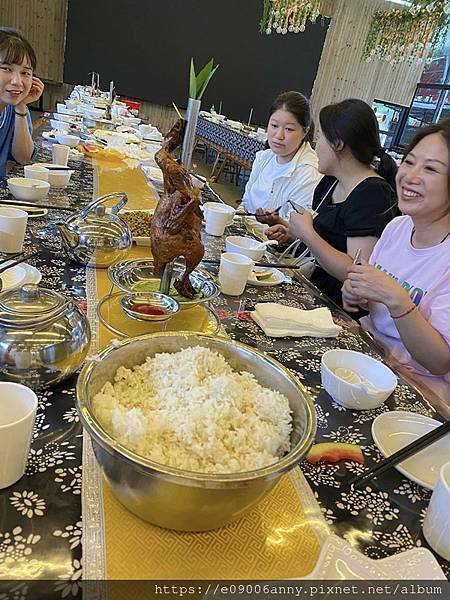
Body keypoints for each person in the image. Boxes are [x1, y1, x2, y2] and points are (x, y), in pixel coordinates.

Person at [342, 119, 450, 415]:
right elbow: (366, 304)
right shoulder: (398, 227)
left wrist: (396, 299)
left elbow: (440, 361)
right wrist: (355, 294)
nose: (409, 176)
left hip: (418, 392)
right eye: (410, 161)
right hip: (366, 357)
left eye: (430, 169)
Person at [266, 99, 398, 307]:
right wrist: (293, 233)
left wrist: (307, 234)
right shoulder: (330, 182)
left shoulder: (373, 194)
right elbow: (327, 238)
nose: (315, 146)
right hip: (308, 288)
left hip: (336, 307)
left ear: (338, 144)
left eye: (319, 138)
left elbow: (356, 272)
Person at [240, 91, 321, 224]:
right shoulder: (263, 158)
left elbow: (301, 233)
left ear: (305, 131)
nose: (279, 135)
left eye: (288, 129)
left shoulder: (310, 172)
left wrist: (276, 222)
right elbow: (245, 202)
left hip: (274, 243)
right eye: (274, 126)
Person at [0, 27, 44, 179]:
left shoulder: (12, 109)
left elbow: (23, 158)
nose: (17, 82)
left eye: (25, 73)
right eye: (6, 68)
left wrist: (21, 106)